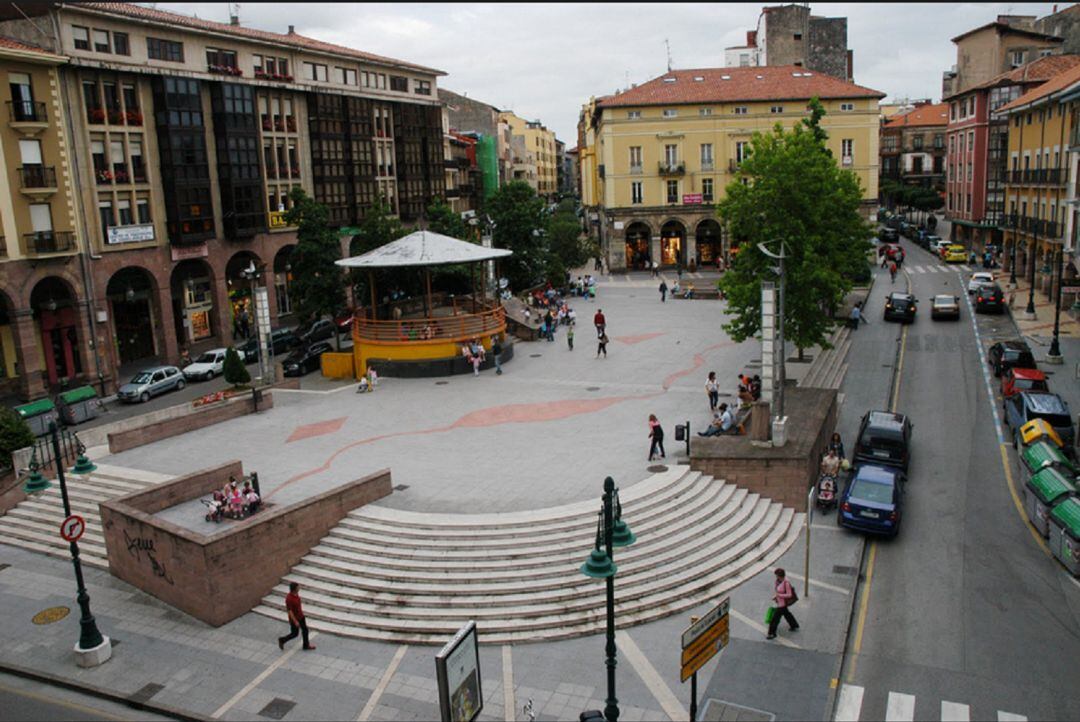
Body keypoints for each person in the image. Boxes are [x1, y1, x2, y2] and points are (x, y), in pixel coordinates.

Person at [278, 582, 316, 651]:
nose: (299, 588)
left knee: (305, 630)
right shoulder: (289, 598)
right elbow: (290, 611)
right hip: (295, 619)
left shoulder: (296, 594)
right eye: (298, 587)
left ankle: (306, 645)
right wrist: (295, 621)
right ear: (294, 589)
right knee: (295, 634)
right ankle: (282, 640)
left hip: (301, 616)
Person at [766, 568, 799, 640]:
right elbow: (778, 591)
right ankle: (794, 625)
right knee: (787, 614)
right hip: (779, 602)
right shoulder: (778, 581)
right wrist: (776, 596)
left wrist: (779, 596)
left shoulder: (786, 583)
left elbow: (789, 594)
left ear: (780, 576)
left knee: (775, 619)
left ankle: (771, 633)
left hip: (782, 604)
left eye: (777, 575)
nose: (776, 577)